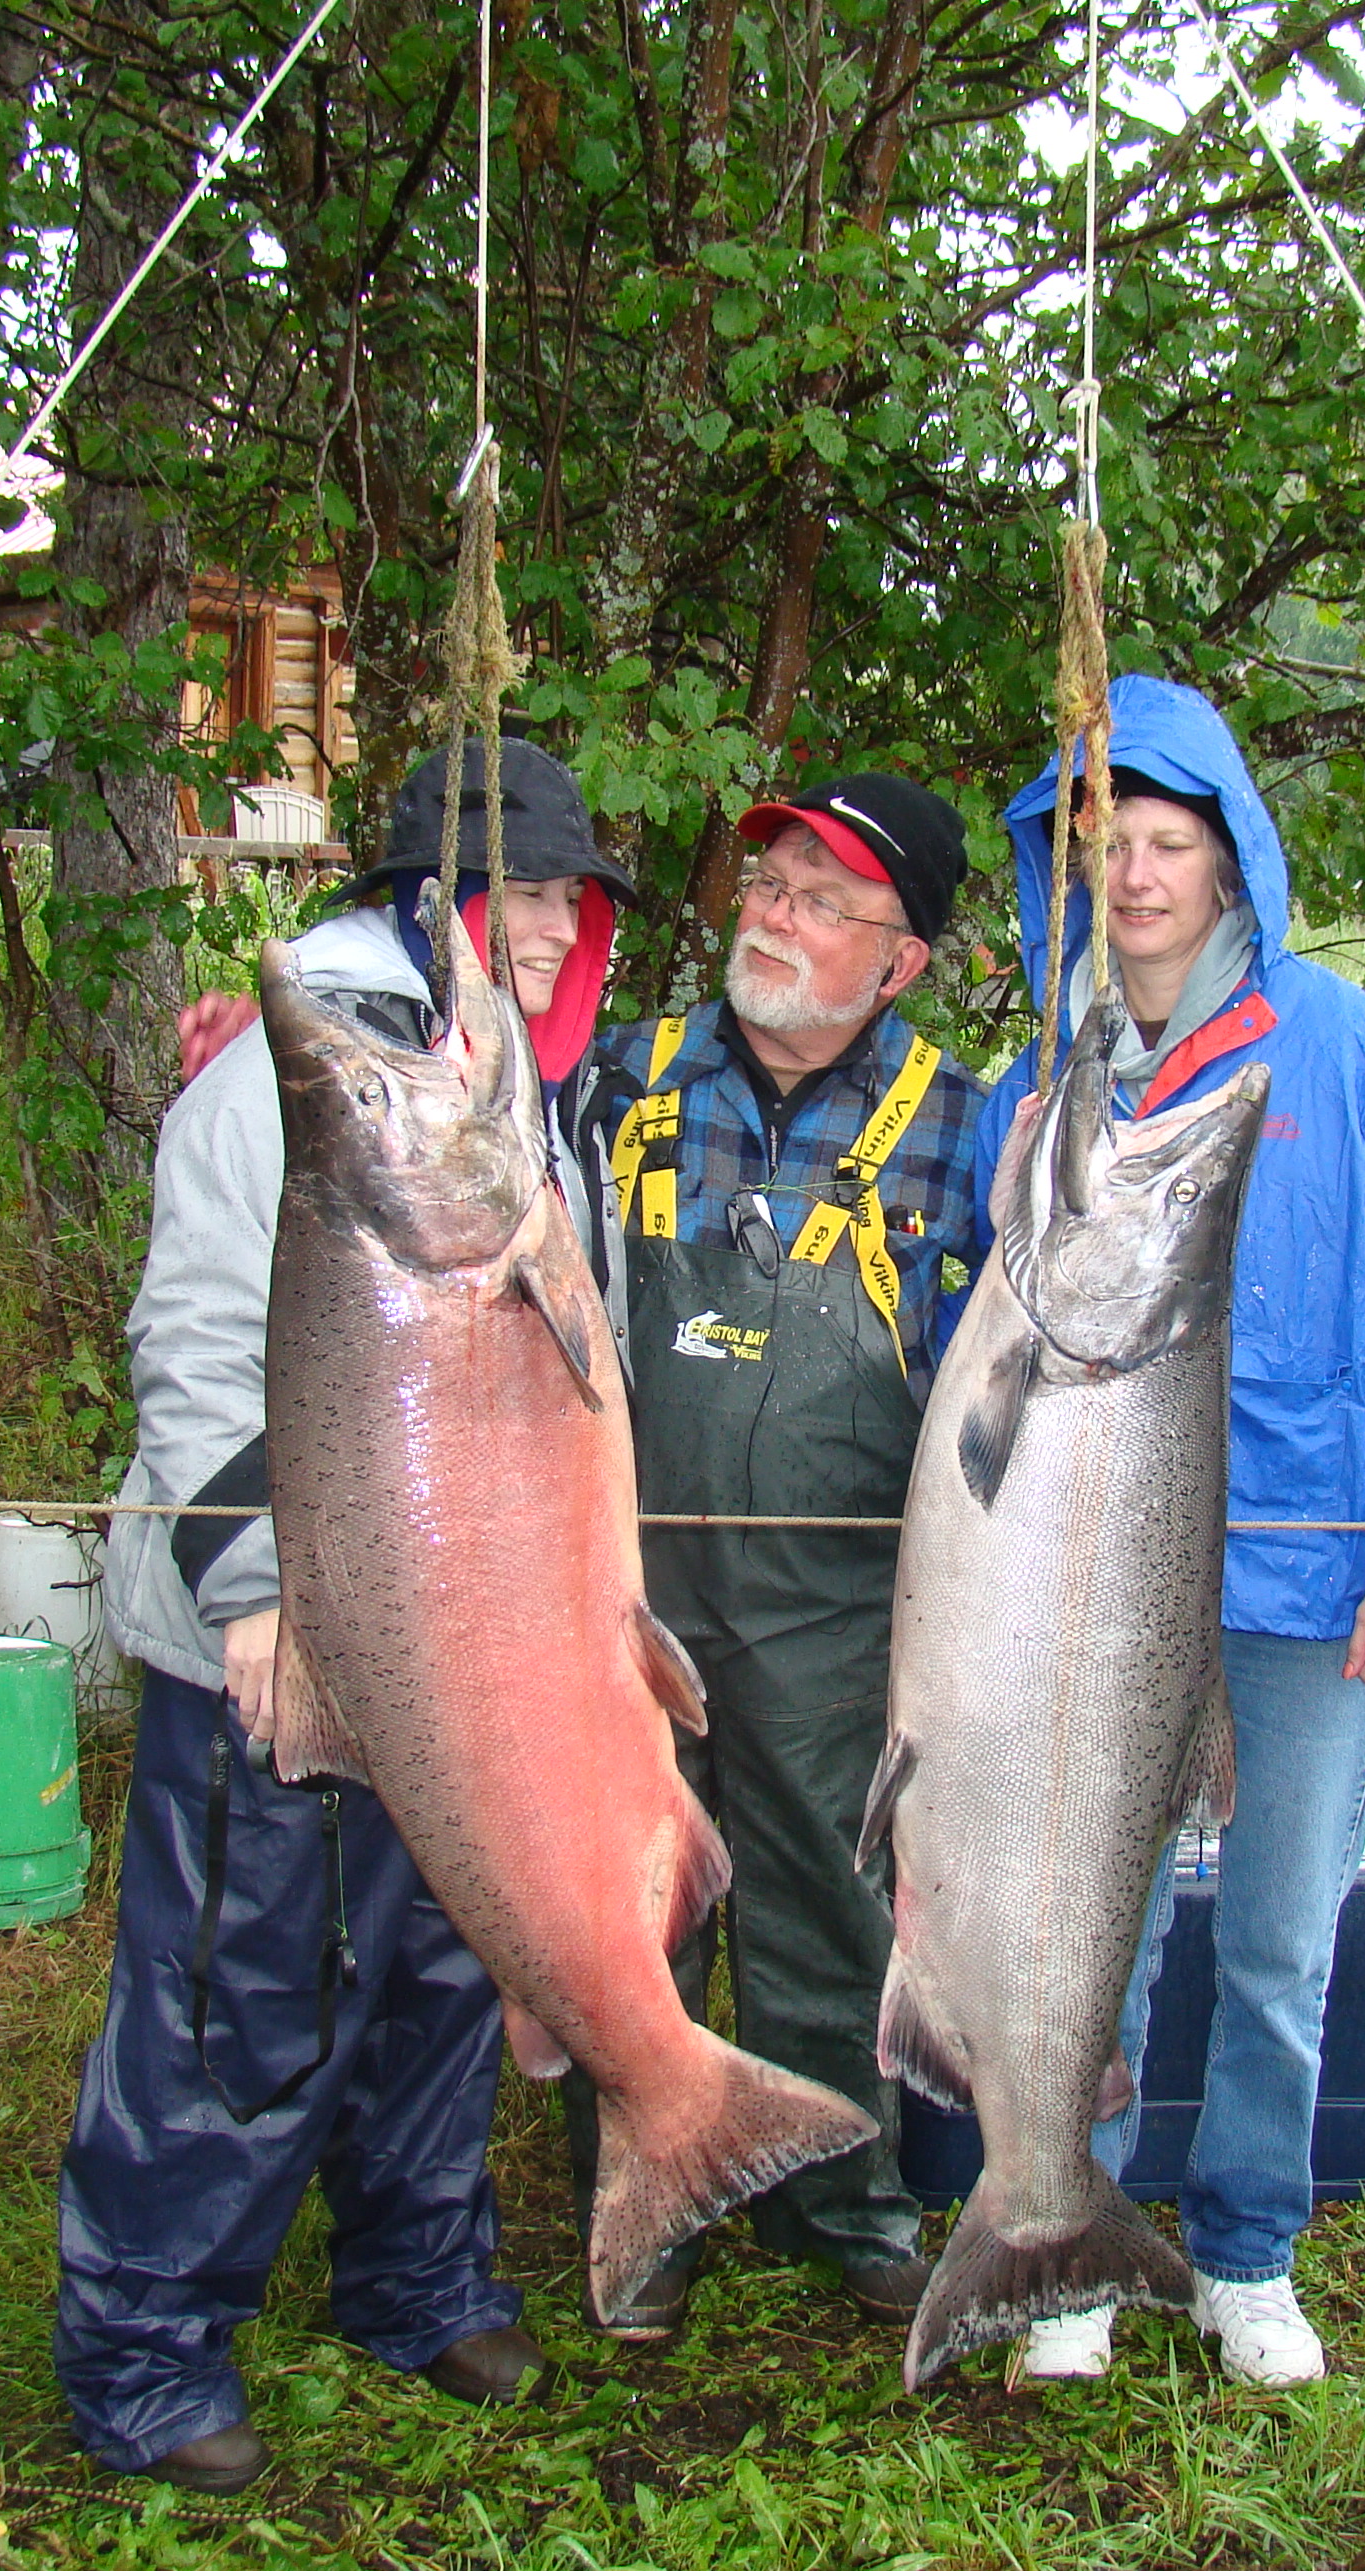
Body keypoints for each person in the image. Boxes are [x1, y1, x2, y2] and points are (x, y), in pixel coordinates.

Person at [58, 738, 634, 2489]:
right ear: (429, 897)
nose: (546, 926)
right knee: (247, 1983)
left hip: (463, 1637)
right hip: (287, 1636)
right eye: (517, 890)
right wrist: (254, 1590)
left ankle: (413, 2272)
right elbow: (196, 1351)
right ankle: (148, 2347)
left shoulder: (516, 1089)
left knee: (445, 1963)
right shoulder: (289, 1086)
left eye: (568, 896)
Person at [978, 677, 1365, 2389]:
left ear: (1229, 860)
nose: (1134, 874)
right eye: (1105, 842)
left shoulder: (1347, 1048)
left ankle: (1251, 2247)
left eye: (1168, 841)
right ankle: (1068, 2237)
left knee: (1282, 1937)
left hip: (1310, 1591)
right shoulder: (1040, 1074)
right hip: (1092, 1589)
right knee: (1091, 1933)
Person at [566, 773, 990, 2339]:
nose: (778, 917)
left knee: (828, 1882)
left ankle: (837, 2190)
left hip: (837, 1596)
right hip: (629, 1585)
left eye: (825, 901)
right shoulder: (623, 1079)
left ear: (901, 959)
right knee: (627, 1889)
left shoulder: (969, 1118)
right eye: (770, 887)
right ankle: (648, 2182)